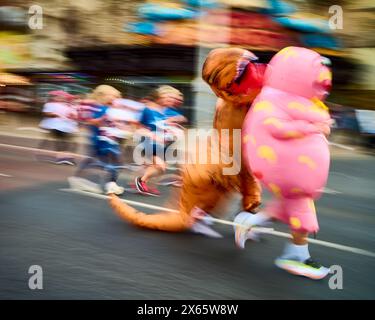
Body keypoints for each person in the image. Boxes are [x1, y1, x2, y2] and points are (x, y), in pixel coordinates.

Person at [236, 47, 333, 280]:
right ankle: (295, 256)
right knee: (302, 211)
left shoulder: (297, 101)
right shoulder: (270, 101)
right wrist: (313, 128)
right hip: (288, 171)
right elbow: (275, 127)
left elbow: (315, 119)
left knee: (287, 206)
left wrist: (320, 125)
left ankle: (251, 221)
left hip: (297, 173)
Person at [68, 85, 125, 195]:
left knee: (107, 160)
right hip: (100, 140)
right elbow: (91, 121)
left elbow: (113, 123)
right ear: (102, 95)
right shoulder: (96, 107)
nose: (115, 99)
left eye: (116, 97)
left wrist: (119, 127)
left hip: (109, 139)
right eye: (113, 96)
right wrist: (102, 120)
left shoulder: (108, 108)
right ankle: (109, 184)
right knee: (113, 161)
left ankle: (80, 179)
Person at [134, 86, 187, 196]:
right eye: (167, 97)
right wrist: (149, 133)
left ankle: (145, 182)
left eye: (171, 98)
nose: (170, 100)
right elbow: (138, 126)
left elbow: (165, 124)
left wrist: (172, 128)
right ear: (159, 97)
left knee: (160, 168)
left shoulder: (165, 111)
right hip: (148, 143)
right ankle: (141, 181)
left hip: (161, 144)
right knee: (160, 166)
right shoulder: (148, 109)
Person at [38, 90, 78, 165]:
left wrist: (71, 116)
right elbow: (46, 113)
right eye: (58, 97)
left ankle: (66, 158)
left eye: (62, 97)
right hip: (55, 126)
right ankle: (61, 158)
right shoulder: (49, 105)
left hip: (66, 127)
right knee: (62, 142)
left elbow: (72, 115)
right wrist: (55, 114)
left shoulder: (67, 106)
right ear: (54, 97)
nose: (61, 98)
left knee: (69, 143)